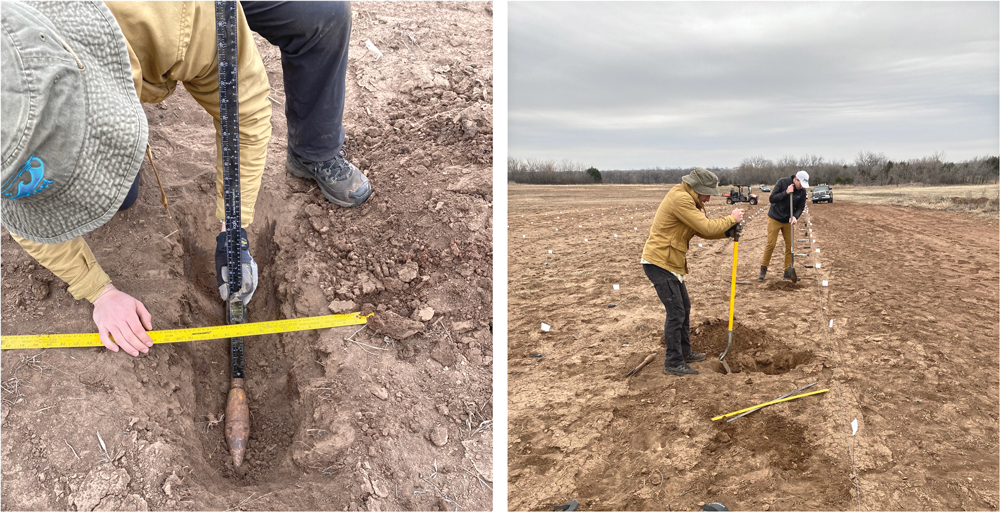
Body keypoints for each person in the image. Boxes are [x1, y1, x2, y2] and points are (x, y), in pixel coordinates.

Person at [1, 2, 368, 357]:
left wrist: (234, 224)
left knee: (321, 14)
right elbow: (20, 210)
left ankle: (314, 153)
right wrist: (100, 291)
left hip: (169, 20)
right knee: (118, 196)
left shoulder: (180, 20)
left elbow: (246, 111)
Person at [641, 168, 744, 376]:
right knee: (676, 312)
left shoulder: (689, 199)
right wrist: (731, 219)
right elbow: (705, 227)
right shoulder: (681, 199)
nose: (708, 199)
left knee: (684, 308)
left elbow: (701, 231)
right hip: (659, 261)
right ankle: (673, 362)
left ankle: (685, 352)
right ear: (697, 189)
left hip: (670, 261)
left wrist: (727, 232)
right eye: (707, 193)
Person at [758, 170, 809, 281]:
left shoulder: (802, 192)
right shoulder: (782, 182)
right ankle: (763, 269)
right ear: (796, 179)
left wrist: (795, 216)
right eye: (801, 184)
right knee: (771, 244)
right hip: (775, 218)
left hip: (788, 221)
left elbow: (801, 207)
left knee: (790, 246)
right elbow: (772, 199)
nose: (802, 187)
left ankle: (787, 272)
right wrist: (786, 192)